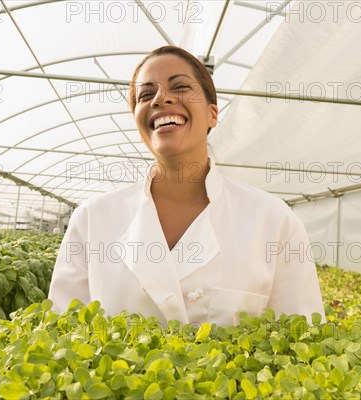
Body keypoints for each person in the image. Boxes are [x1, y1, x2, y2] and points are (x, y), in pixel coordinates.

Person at [48, 46, 325, 326]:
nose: (160, 98)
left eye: (179, 86)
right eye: (146, 95)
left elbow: (300, 340)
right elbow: (63, 334)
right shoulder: (92, 219)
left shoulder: (273, 220)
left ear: (212, 114)